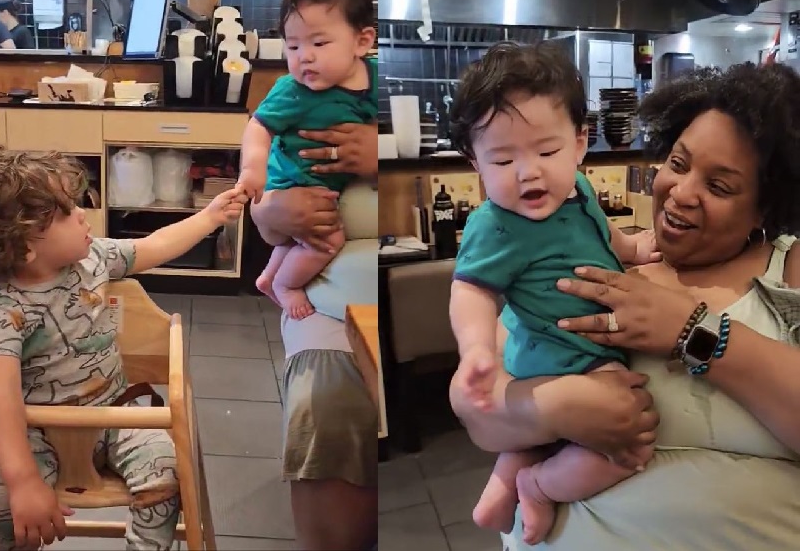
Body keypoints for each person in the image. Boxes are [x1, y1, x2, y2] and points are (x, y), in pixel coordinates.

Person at [450, 61, 800, 551]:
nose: (681, 193)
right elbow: (475, 407)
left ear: (766, 206)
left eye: (718, 186)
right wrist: (557, 407)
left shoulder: (789, 271)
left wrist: (692, 332)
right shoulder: (583, 264)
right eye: (677, 164)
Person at [0, 148, 244, 551]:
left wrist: (210, 216)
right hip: (35, 430)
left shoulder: (95, 258)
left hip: (115, 410)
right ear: (24, 248)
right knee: (3, 508)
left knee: (166, 475)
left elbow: (155, 245)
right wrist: (23, 482)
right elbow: (1, 400)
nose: (82, 215)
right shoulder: (4, 311)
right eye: (66, 212)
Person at [448, 42, 660, 543]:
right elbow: (470, 290)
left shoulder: (579, 191)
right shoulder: (496, 224)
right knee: (629, 442)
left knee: (537, 440)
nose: (529, 171)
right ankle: (540, 488)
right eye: (502, 160)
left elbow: (603, 235)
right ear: (474, 161)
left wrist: (632, 248)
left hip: (562, 351)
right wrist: (476, 349)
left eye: (546, 151)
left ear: (580, 142)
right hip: (570, 357)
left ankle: (498, 499)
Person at [251, 121, 378, 551]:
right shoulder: (313, 104)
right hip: (326, 305)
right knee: (325, 403)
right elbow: (263, 212)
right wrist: (269, 210)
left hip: (348, 296)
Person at [236, 0, 377, 320]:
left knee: (303, 239)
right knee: (327, 240)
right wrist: (253, 170)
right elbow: (258, 127)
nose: (304, 56)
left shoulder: (376, 81)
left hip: (324, 183)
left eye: (318, 42)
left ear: (363, 41)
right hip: (293, 181)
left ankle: (270, 277)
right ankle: (287, 285)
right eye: (293, 45)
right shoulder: (292, 91)